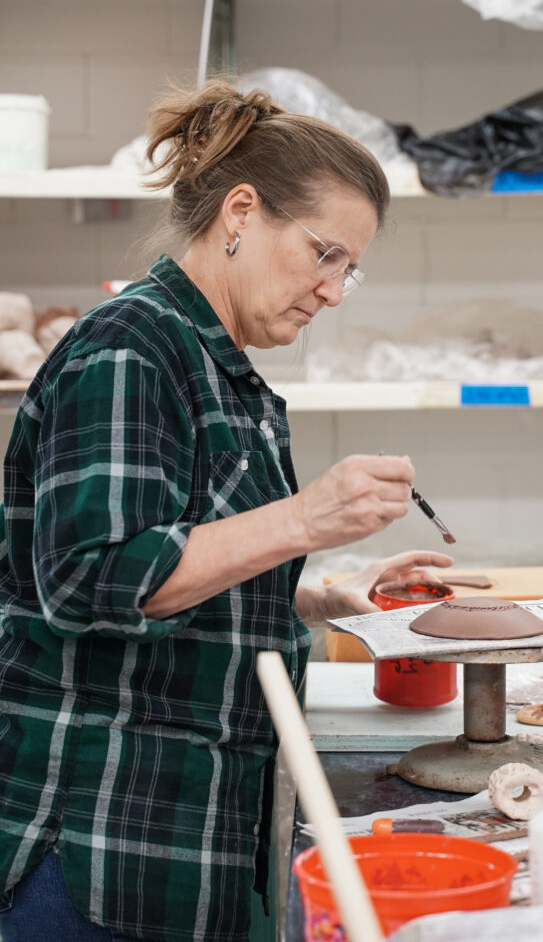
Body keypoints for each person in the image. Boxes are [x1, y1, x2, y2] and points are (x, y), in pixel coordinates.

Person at [0, 79, 452, 942]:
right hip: (97, 845)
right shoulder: (130, 348)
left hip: (180, 836)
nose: (332, 290)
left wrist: (317, 596)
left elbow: (186, 558)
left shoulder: (220, 369)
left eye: (349, 271)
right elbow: (91, 580)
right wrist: (305, 520)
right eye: (325, 254)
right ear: (241, 212)